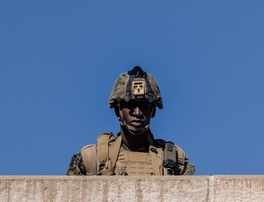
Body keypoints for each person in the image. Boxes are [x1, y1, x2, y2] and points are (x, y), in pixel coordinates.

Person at [66, 65, 194, 176]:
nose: (137, 112)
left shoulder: (174, 160)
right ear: (118, 110)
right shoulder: (91, 159)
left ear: (153, 111)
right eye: (130, 105)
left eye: (144, 105)